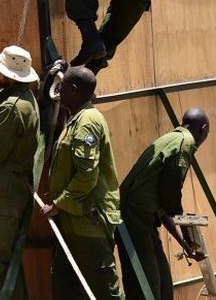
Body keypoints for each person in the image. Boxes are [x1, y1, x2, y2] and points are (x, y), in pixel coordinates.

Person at [0, 46, 45, 300]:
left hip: (3, 196)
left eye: (0, 71)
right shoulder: (26, 100)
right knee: (7, 263)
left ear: (10, 76)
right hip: (14, 193)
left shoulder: (12, 108)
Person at [40, 67, 122, 299]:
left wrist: (58, 203)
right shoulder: (77, 119)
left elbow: (87, 175)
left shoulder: (87, 123)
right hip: (74, 221)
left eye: (63, 86)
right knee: (65, 286)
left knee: (104, 289)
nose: (59, 91)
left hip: (88, 222)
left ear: (74, 90)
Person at [117, 108, 211, 299]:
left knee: (163, 282)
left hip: (142, 217)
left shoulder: (168, 140)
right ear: (202, 130)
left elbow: (164, 207)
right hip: (135, 217)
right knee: (146, 285)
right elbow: (171, 198)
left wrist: (185, 244)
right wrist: (188, 234)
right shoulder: (186, 143)